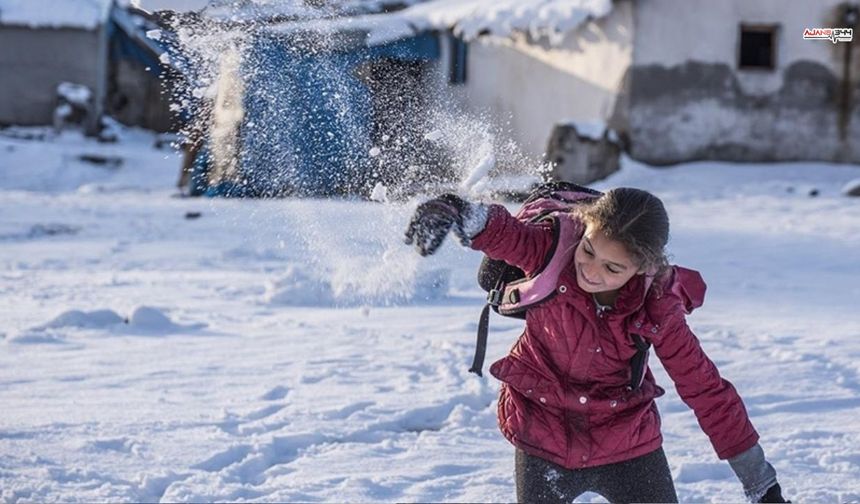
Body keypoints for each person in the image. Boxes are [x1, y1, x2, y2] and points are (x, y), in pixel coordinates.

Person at [403, 188, 787, 503]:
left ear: (644, 267)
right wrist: (454, 209)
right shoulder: (550, 252)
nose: (591, 270)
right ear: (583, 227)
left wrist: (760, 484)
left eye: (612, 268)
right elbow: (504, 232)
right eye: (589, 251)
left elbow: (706, 392)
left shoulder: (658, 310)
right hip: (543, 436)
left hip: (627, 442)